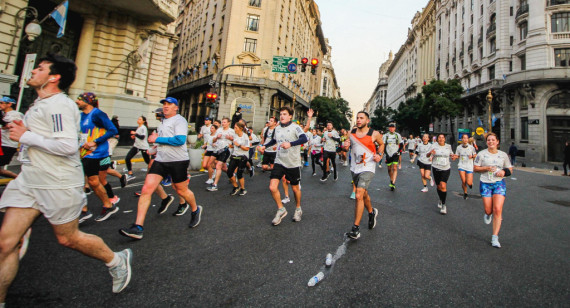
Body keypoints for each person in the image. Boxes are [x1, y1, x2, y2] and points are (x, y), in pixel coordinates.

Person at [0, 54, 132, 305]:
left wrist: (26, 135)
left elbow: (67, 146)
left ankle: (116, 260)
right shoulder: (40, 103)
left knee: (68, 238)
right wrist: (21, 131)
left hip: (57, 180)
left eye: (39, 68)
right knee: (6, 244)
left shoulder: (59, 105)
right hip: (30, 178)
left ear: (54, 77)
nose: (33, 71)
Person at [119, 97, 202, 240]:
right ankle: (138, 227)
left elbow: (179, 140)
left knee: (181, 190)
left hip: (178, 161)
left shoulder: (180, 120)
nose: (165, 106)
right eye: (164, 104)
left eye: (169, 104)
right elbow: (161, 140)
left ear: (176, 107)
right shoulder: (163, 122)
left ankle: (195, 209)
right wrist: (153, 148)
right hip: (161, 160)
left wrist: (156, 139)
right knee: (146, 189)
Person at [76, 92, 121, 223]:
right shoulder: (80, 116)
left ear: (88, 101)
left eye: (80, 99)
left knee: (81, 181)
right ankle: (108, 205)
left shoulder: (97, 114)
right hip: (84, 153)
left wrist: (95, 141)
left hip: (95, 153)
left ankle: (84, 210)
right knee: (93, 182)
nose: (77, 101)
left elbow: (113, 130)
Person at [259, 107, 308, 225]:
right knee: (272, 187)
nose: (282, 116)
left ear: (290, 116)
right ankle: (281, 209)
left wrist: (290, 144)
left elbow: (304, 138)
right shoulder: (277, 128)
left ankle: (298, 208)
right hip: (279, 161)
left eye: (284, 114)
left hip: (292, 162)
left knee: (295, 189)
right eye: (281, 114)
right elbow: (274, 140)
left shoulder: (295, 127)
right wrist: (265, 146)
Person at [344, 111, 385, 239]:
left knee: (358, 194)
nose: (358, 120)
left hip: (368, 166)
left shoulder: (374, 134)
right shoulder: (351, 133)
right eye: (357, 118)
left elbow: (382, 144)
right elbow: (346, 146)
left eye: (361, 118)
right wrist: (345, 145)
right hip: (355, 167)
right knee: (364, 193)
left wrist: (379, 155)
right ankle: (371, 212)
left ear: (367, 121)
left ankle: (355, 229)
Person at [473, 132, 513, 248]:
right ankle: (487, 214)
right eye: (489, 140)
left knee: (497, 209)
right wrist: (486, 168)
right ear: (487, 142)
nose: (491, 142)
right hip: (485, 183)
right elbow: (475, 168)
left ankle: (495, 237)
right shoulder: (481, 154)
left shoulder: (503, 155)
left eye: (493, 140)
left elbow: (510, 169)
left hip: (499, 183)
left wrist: (504, 172)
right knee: (488, 210)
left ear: (497, 142)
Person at [426, 134, 457, 214]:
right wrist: (430, 153)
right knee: (439, 186)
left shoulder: (448, 146)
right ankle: (440, 199)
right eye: (439, 137)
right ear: (437, 139)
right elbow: (427, 155)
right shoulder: (433, 145)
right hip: (436, 167)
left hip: (446, 168)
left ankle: (443, 205)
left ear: (444, 139)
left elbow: (451, 155)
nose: (441, 139)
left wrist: (453, 157)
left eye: (442, 138)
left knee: (443, 185)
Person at [207, 117, 234, 191]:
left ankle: (214, 185)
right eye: (222, 122)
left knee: (218, 166)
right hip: (217, 149)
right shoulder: (219, 130)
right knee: (223, 167)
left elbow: (235, 141)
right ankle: (232, 175)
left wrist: (230, 138)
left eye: (224, 122)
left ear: (228, 123)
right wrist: (217, 138)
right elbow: (214, 140)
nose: (223, 124)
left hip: (225, 150)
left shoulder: (231, 131)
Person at [0, 96, 24, 178]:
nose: (0, 105)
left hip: (8, 145)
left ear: (9, 104)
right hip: (2, 143)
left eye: (2, 103)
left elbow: (12, 126)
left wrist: (3, 123)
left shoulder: (16, 114)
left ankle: (19, 179)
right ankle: (18, 179)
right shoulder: (3, 114)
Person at [227, 121, 251, 196]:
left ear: (240, 128)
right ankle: (236, 186)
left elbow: (247, 148)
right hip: (235, 155)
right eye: (234, 127)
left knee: (239, 173)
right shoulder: (235, 135)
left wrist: (239, 145)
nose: (234, 129)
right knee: (229, 172)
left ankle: (243, 188)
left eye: (236, 128)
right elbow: (235, 145)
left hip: (243, 156)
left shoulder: (245, 136)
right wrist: (232, 146)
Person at [124, 116, 151, 181]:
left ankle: (156, 173)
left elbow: (142, 137)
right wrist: (134, 136)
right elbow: (139, 136)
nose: (138, 120)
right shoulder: (139, 127)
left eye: (140, 119)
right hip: (136, 146)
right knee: (127, 158)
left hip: (143, 147)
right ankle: (130, 174)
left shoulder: (143, 128)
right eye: (138, 119)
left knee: (148, 161)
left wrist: (135, 134)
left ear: (143, 121)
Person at [456, 133, 477, 199]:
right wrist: (454, 157)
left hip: (469, 165)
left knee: (468, 182)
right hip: (461, 165)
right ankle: (465, 192)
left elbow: (475, 155)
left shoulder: (471, 147)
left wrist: (472, 156)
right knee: (463, 181)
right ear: (462, 139)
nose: (465, 139)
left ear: (468, 139)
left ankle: (470, 184)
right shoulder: (458, 147)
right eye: (464, 138)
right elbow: (457, 155)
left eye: (466, 138)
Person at [383, 122, 403, 191]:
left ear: (395, 128)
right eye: (390, 127)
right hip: (388, 154)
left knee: (394, 168)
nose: (391, 128)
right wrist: (386, 154)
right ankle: (391, 180)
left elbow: (401, 145)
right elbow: (383, 145)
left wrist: (398, 152)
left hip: (395, 154)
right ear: (389, 128)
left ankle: (393, 183)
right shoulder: (386, 135)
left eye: (393, 127)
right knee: (389, 169)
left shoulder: (398, 135)